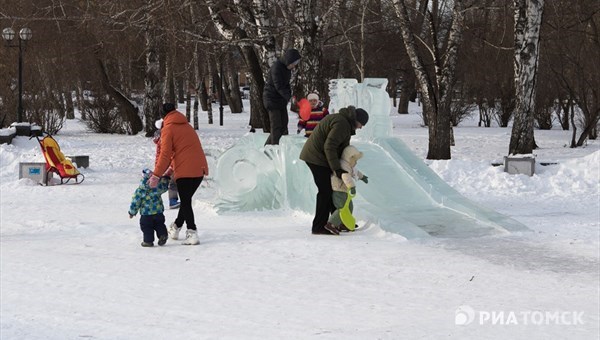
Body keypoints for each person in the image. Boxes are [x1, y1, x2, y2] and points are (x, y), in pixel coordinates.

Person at [299, 106, 369, 235]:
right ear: (356, 120)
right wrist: (337, 169)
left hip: (322, 157)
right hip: (316, 157)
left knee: (330, 190)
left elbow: (340, 148)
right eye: (361, 124)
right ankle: (319, 226)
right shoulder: (342, 124)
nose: (361, 127)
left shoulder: (345, 122)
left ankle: (337, 222)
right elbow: (330, 146)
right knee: (325, 191)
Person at [148, 103, 209, 246]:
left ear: (163, 115)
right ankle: (175, 227)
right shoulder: (187, 126)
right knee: (186, 201)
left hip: (185, 171)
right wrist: (170, 169)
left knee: (186, 202)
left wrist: (156, 175)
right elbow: (183, 150)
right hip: (199, 169)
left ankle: (192, 232)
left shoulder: (168, 129)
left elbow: (165, 155)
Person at [263, 48, 302, 145]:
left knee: (284, 124)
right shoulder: (276, 67)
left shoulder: (287, 69)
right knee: (276, 126)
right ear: (288, 60)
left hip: (280, 100)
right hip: (271, 99)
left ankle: (268, 147)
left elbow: (286, 84)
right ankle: (272, 150)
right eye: (293, 63)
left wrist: (291, 95)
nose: (294, 65)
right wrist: (288, 97)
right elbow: (278, 86)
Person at [327, 145, 369, 232]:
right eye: (355, 160)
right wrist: (352, 187)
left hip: (344, 190)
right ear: (350, 157)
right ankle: (331, 224)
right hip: (338, 189)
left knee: (349, 207)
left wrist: (362, 177)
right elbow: (345, 176)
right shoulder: (343, 165)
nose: (356, 162)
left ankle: (344, 223)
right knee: (342, 208)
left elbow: (355, 172)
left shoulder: (349, 165)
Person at [128, 169, 172, 247]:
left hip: (146, 214)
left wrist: (132, 212)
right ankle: (162, 235)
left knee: (146, 227)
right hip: (158, 212)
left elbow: (135, 202)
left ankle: (148, 241)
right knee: (160, 224)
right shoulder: (157, 187)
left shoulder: (140, 190)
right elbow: (164, 188)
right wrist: (165, 180)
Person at [153, 119, 180, 209]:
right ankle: (172, 201)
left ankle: (172, 200)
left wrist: (158, 168)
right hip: (170, 166)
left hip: (167, 166)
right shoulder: (166, 139)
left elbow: (159, 156)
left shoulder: (164, 139)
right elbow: (164, 155)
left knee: (173, 182)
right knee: (173, 183)